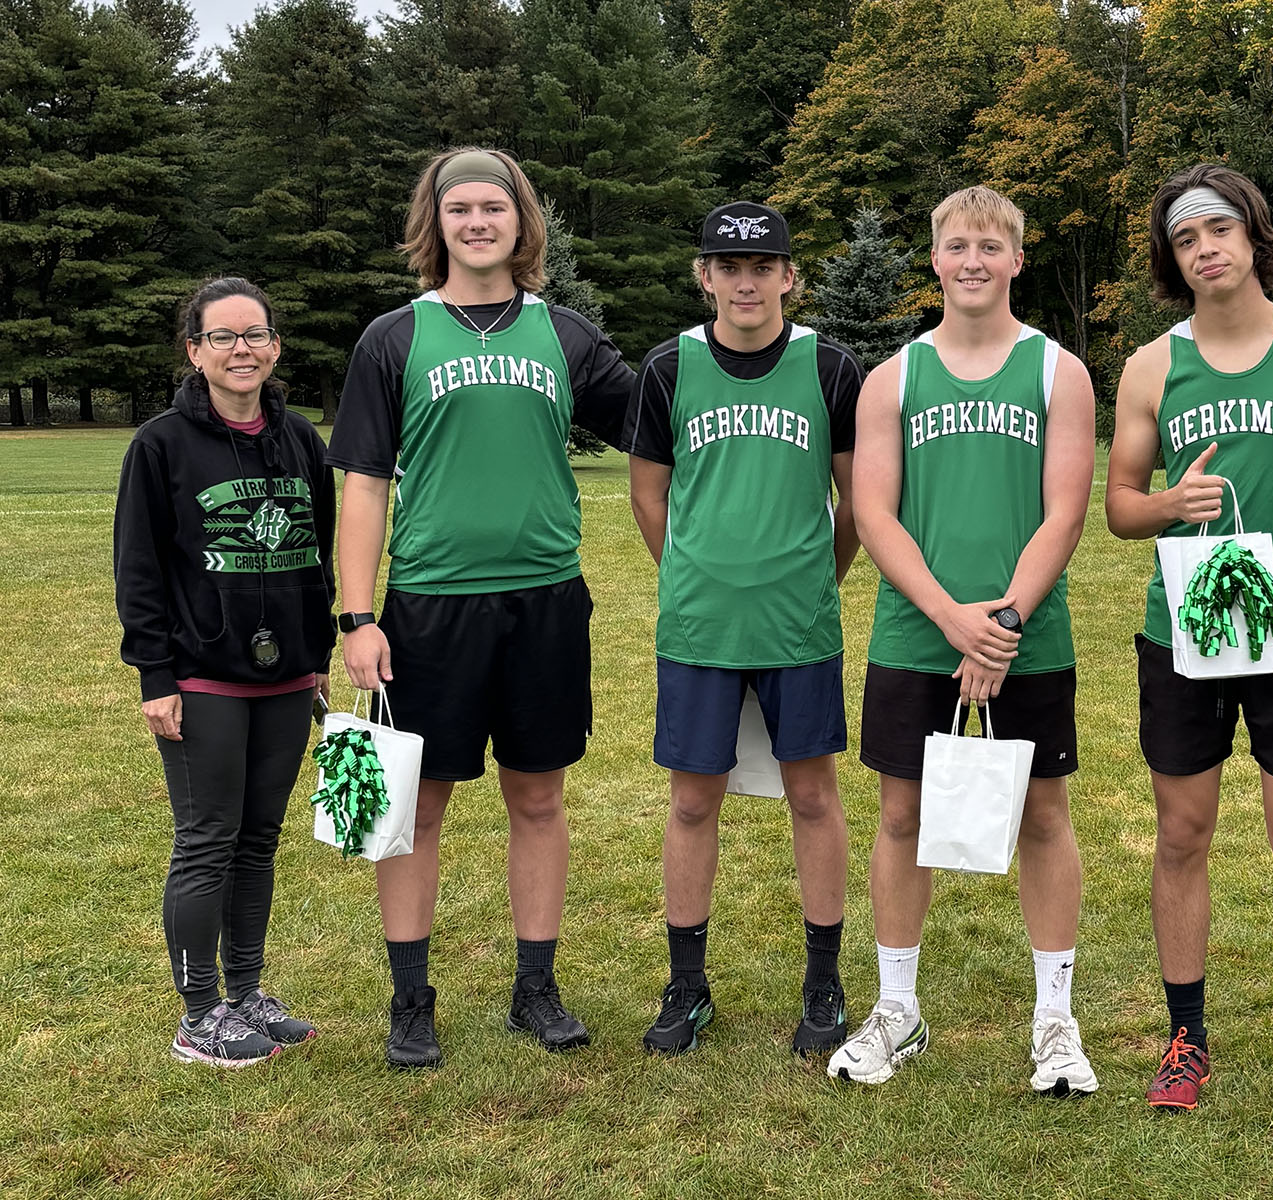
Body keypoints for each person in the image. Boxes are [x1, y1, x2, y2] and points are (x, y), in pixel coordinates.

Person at [329, 147, 634, 1068]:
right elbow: (365, 487)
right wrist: (356, 617)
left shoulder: (567, 335)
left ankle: (534, 989)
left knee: (538, 797)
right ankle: (410, 998)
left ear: (520, 221)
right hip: (428, 606)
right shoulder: (394, 337)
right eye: (457, 208)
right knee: (418, 807)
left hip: (544, 601)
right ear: (437, 224)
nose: (476, 222)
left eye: (492, 208)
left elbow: (661, 422)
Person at [1105, 164, 1273, 1126]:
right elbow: (1119, 506)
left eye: (1220, 228)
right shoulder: (1149, 367)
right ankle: (1188, 1038)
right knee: (1182, 834)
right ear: (1173, 261)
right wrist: (1170, 504)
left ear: (1255, 237)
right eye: (1186, 238)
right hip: (1187, 626)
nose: (1206, 247)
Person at [829, 186, 1098, 1095]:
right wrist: (953, 619)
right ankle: (897, 1008)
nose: (973, 259)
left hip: (1030, 637)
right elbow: (872, 509)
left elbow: (1066, 510)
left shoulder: (1058, 371)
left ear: (1018, 258)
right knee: (902, 818)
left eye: (991, 244)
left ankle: (1054, 1019)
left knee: (1043, 817)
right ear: (934, 259)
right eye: (956, 245)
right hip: (917, 635)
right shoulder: (894, 377)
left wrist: (1005, 622)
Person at [623, 201, 863, 1057]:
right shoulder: (668, 367)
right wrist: (690, 573)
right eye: (729, 267)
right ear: (706, 277)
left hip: (800, 626)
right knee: (693, 801)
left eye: (764, 266)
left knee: (811, 794)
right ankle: (687, 986)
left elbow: (858, 503)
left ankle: (824, 983)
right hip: (700, 628)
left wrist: (812, 579)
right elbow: (647, 493)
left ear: (790, 275)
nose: (747, 281)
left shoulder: (830, 367)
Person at [115, 277, 336, 1066]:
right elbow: (138, 568)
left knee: (260, 839)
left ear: (275, 346)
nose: (240, 349)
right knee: (208, 838)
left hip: (286, 678)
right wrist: (154, 676)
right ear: (195, 351)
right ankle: (198, 1013)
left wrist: (315, 658)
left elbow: (317, 555)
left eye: (254, 335)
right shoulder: (162, 444)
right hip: (202, 676)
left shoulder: (302, 439)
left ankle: (245, 993)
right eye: (222, 337)